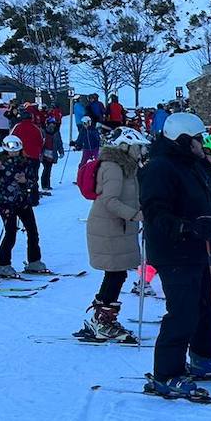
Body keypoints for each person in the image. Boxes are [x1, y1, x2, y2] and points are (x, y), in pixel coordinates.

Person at [138, 113, 211, 400]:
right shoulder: (160, 168)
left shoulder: (194, 164)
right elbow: (154, 211)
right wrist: (186, 226)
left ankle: (203, 355)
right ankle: (166, 373)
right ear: (184, 140)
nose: (203, 143)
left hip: (201, 247)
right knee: (183, 312)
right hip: (174, 251)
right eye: (198, 139)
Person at [80, 127, 148, 343]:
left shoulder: (126, 167)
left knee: (116, 273)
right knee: (115, 273)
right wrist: (136, 215)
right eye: (138, 147)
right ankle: (102, 321)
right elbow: (110, 201)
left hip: (118, 227)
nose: (141, 152)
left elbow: (130, 195)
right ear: (125, 146)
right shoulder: (113, 167)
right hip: (108, 228)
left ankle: (101, 319)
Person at [0, 136, 48, 277]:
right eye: (11, 151)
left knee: (32, 231)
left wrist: (25, 181)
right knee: (10, 233)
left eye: (16, 150)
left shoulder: (26, 162)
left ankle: (34, 261)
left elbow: (33, 181)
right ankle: (3, 264)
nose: (14, 153)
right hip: (6, 204)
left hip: (23, 202)